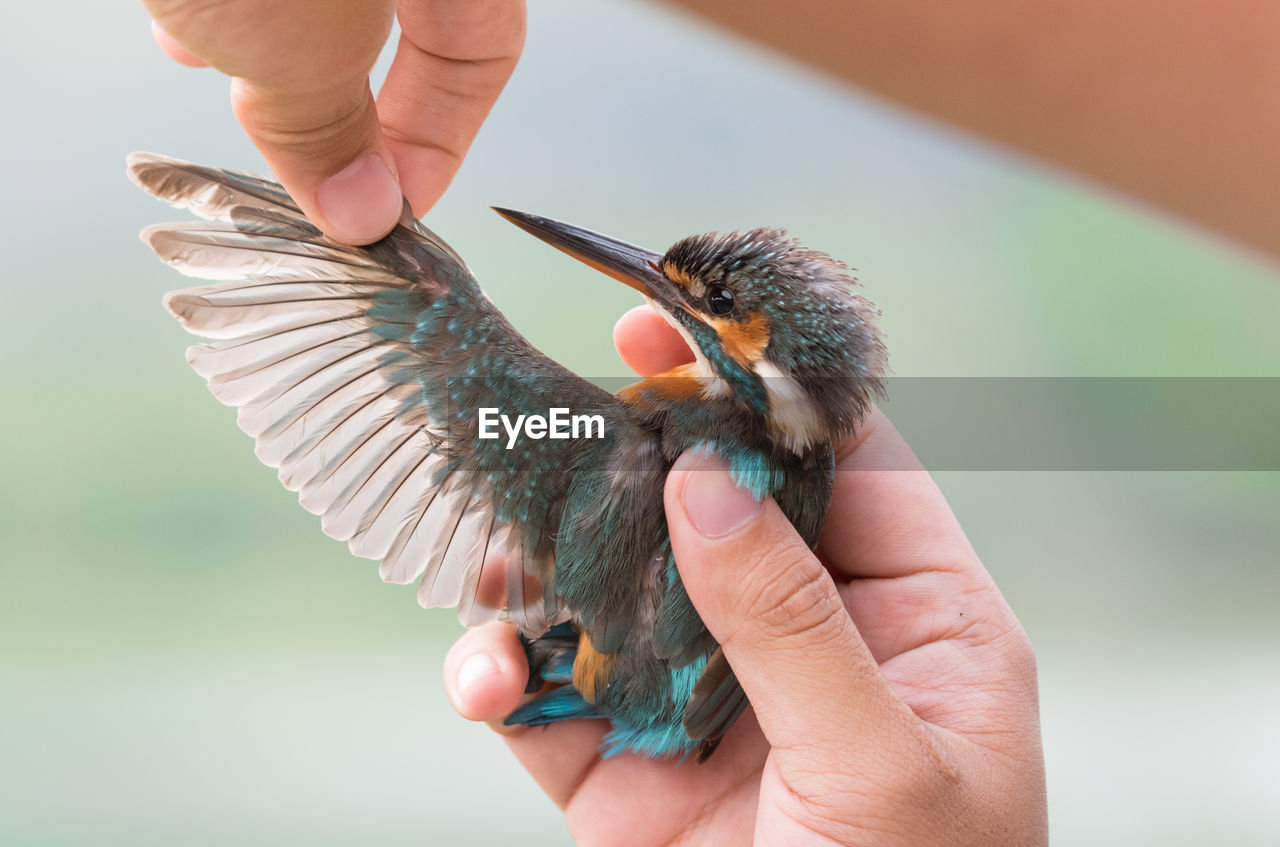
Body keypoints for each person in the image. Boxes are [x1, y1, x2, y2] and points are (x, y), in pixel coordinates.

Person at [147, 0, 1280, 842]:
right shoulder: (648, 453)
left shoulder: (590, 444)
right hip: (665, 715)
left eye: (707, 303)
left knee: (437, 314)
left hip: (622, 699)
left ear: (754, 353)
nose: (663, 291)